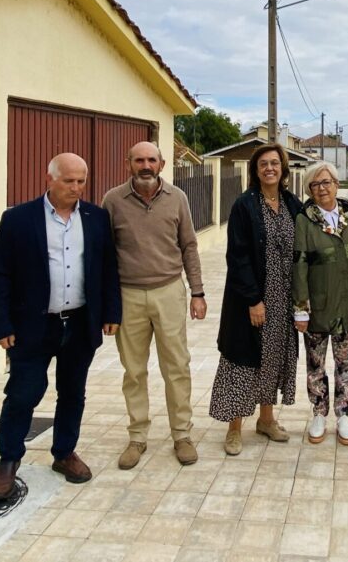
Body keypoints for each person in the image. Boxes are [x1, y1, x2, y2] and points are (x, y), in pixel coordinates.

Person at [0, 153, 121, 500]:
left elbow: (106, 269)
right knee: (22, 394)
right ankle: (8, 459)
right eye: (69, 181)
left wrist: (111, 312)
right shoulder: (17, 219)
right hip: (33, 326)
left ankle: (64, 453)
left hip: (79, 322)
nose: (76, 188)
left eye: (81, 182)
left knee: (73, 393)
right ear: (50, 179)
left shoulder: (95, 218)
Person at [102, 141, 207, 469]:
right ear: (128, 163)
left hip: (168, 292)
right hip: (128, 295)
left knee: (176, 366)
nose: (145, 165)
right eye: (139, 160)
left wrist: (198, 292)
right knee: (134, 370)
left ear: (161, 164)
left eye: (151, 160)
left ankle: (181, 434)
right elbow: (104, 253)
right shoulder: (112, 200)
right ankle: (137, 437)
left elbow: (188, 245)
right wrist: (107, 305)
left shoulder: (178, 198)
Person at [210, 143, 302, 455]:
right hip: (251, 300)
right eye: (263, 164)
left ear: (283, 168)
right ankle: (234, 428)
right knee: (242, 362)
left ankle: (266, 419)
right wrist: (253, 300)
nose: (270, 168)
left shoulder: (292, 203)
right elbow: (237, 256)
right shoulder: (244, 205)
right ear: (255, 170)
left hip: (284, 300)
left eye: (275, 163)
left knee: (274, 359)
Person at [292, 161, 348, 446]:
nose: (322, 188)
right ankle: (319, 413)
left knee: (346, 362)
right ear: (309, 189)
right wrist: (301, 308)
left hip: (347, 301)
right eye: (315, 184)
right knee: (316, 363)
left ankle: (344, 414)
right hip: (318, 303)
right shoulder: (304, 220)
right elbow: (300, 266)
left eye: (326, 182)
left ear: (336, 183)